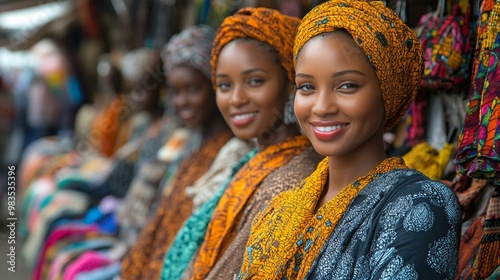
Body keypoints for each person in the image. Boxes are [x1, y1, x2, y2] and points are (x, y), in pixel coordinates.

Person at [238, 1, 461, 279]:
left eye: (347, 86)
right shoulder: (279, 211)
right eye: (307, 87)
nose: (321, 107)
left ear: (387, 90)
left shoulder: (421, 206)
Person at [179, 7, 323, 280]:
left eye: (255, 81)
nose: (236, 99)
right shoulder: (253, 161)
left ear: (291, 83)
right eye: (224, 85)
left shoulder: (294, 178)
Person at [119, 25, 236, 280]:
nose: (182, 101)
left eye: (193, 89)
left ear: (215, 84)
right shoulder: (182, 139)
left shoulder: (231, 153)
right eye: (175, 92)